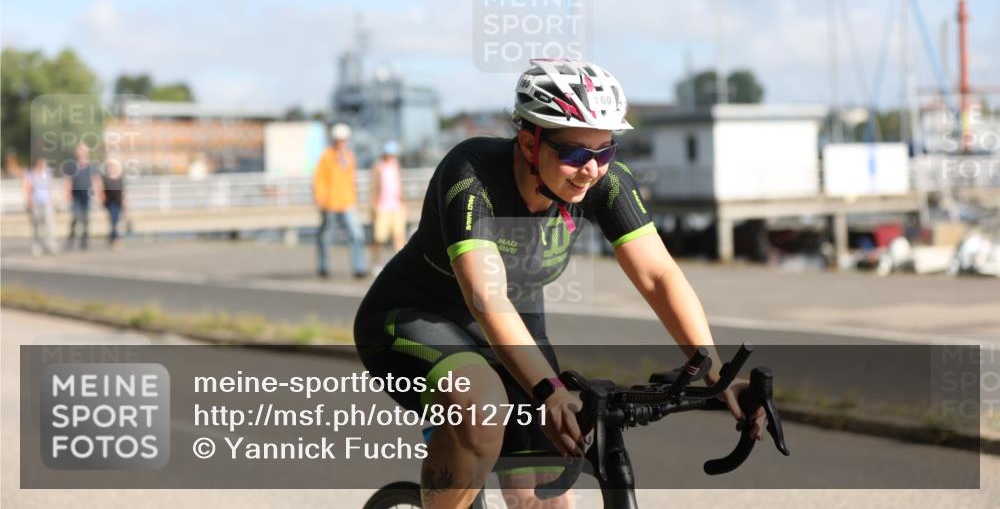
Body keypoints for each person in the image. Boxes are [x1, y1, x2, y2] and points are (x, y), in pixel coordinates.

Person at [353, 59, 766, 509]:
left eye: (604, 152)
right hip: (414, 317)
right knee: (482, 408)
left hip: (517, 326)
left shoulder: (605, 185)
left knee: (549, 487)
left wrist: (716, 374)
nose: (591, 170)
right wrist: (548, 389)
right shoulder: (471, 174)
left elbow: (659, 276)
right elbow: (486, 297)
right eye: (573, 153)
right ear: (529, 141)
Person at [313, 123, 368, 278]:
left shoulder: (349, 157)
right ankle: (323, 267)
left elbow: (352, 179)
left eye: (344, 140)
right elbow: (319, 179)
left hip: (347, 202)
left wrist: (355, 199)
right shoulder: (326, 156)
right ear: (334, 140)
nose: (342, 143)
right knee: (325, 236)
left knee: (356, 235)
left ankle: (359, 268)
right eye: (339, 140)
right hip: (329, 202)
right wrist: (320, 198)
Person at [369, 140, 407, 273]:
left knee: (399, 237)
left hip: (397, 206)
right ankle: (376, 263)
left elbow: (399, 184)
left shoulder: (396, 165)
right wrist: (373, 205)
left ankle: (402, 264)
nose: (391, 156)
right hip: (382, 207)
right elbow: (373, 187)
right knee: (379, 238)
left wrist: (403, 202)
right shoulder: (378, 166)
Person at [65, 143, 98, 251]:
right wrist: (68, 193)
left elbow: (95, 180)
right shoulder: (72, 166)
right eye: (80, 151)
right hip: (76, 195)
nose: (81, 153)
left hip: (86, 195)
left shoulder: (91, 166)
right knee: (76, 216)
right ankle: (71, 239)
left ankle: (84, 241)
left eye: (84, 151)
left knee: (86, 219)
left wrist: (96, 194)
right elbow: (68, 180)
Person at [23, 156, 56, 256]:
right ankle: (36, 245)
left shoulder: (48, 172)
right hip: (35, 202)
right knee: (36, 226)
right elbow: (27, 188)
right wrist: (29, 202)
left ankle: (50, 244)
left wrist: (54, 200)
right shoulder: (30, 173)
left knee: (49, 224)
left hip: (46, 202)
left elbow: (51, 186)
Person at [101, 157, 126, 250]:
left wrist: (125, 202)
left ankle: (112, 238)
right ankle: (115, 239)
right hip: (110, 203)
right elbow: (102, 191)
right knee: (114, 220)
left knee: (115, 221)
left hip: (118, 202)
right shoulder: (106, 179)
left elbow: (123, 192)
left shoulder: (120, 179)